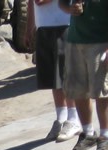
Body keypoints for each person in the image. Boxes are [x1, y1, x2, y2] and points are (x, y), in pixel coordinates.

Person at [26, 0, 81, 142]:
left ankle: (74, 119)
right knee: (52, 76)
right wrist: (30, 26)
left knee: (66, 74)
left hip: (63, 24)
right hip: (43, 26)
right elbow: (32, 2)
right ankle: (61, 117)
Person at [57, 0, 108, 150]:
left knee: (102, 92)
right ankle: (88, 133)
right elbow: (61, 3)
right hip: (75, 41)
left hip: (100, 42)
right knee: (77, 90)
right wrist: (70, 8)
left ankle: (105, 136)